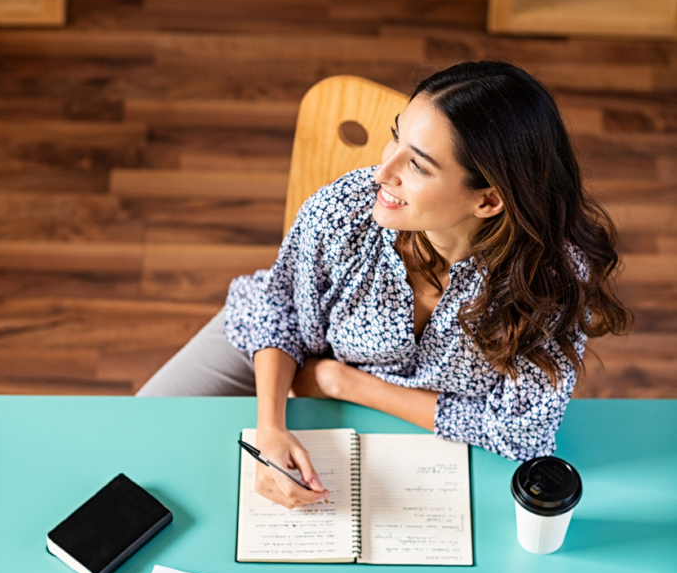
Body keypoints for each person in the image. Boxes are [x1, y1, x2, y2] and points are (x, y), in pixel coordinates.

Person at [138, 61, 631, 509]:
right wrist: (271, 425)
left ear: (487, 202)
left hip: (346, 385)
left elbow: (522, 432)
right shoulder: (345, 210)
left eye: (417, 165)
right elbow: (278, 306)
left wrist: (343, 383)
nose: (382, 171)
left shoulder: (551, 281)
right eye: (396, 138)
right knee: (137, 434)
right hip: (278, 339)